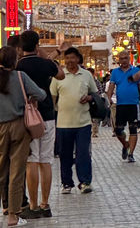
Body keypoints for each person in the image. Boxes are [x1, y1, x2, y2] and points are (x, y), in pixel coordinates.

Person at [0, 45, 46, 227]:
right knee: (16, 174)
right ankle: (13, 216)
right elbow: (41, 95)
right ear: (14, 61)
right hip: (19, 127)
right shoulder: (21, 77)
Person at [16, 31, 64, 218]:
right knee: (46, 161)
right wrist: (46, 56)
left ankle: (33, 205)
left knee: (32, 161)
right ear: (37, 46)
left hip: (28, 118)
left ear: (20, 48)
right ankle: (46, 203)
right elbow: (60, 75)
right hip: (48, 115)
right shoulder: (46, 64)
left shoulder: (18, 66)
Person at [50, 46, 99, 194]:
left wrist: (90, 98)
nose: (70, 60)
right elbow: (52, 96)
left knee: (83, 153)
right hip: (63, 123)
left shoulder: (86, 75)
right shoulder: (58, 75)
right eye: (67, 58)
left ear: (78, 59)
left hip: (83, 122)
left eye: (72, 57)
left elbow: (95, 94)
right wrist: (53, 116)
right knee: (64, 155)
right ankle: (67, 183)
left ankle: (85, 182)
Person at [107, 49, 140, 163]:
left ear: (129, 58)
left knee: (133, 129)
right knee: (118, 130)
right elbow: (111, 87)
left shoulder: (136, 70)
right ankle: (125, 144)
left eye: (125, 58)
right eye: (121, 58)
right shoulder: (115, 72)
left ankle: (131, 154)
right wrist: (108, 99)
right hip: (121, 104)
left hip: (133, 104)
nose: (124, 60)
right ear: (118, 60)